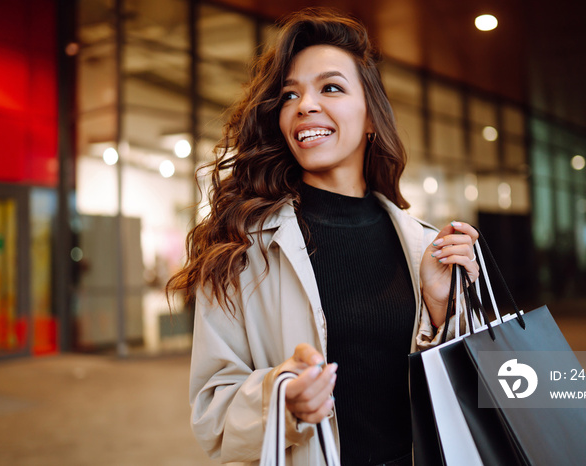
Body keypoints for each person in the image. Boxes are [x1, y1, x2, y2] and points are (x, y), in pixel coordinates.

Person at [167, 7, 479, 466]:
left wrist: (440, 311)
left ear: (372, 117)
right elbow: (213, 415)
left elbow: (469, 398)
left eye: (330, 87)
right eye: (290, 95)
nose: (304, 105)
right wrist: (284, 399)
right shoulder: (243, 248)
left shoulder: (423, 247)